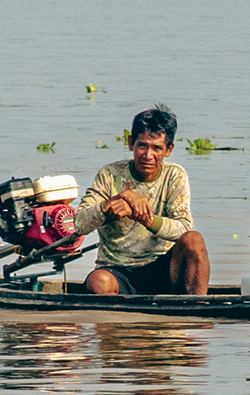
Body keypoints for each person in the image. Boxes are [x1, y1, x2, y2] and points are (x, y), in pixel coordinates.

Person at [75, 107, 211, 296]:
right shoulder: (109, 174)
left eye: (157, 148)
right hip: (117, 270)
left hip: (162, 268)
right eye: (142, 146)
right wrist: (112, 203)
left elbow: (183, 227)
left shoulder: (174, 176)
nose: (148, 155)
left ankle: (198, 306)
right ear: (131, 143)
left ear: (169, 150)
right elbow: (79, 223)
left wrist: (147, 219)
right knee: (99, 283)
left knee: (194, 240)